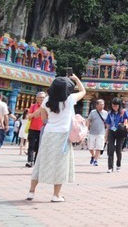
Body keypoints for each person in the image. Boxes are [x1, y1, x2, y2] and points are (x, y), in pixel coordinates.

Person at [25, 74, 86, 202]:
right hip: (63, 135)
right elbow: (83, 91)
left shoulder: (46, 100)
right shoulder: (70, 99)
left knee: (41, 161)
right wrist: (76, 79)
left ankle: (31, 192)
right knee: (61, 164)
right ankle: (56, 195)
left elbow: (44, 119)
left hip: (48, 133)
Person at [104, 97, 128, 173]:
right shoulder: (110, 113)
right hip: (112, 131)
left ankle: (118, 165)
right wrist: (106, 136)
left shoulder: (124, 112)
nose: (114, 107)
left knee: (118, 150)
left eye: (116, 106)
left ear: (119, 105)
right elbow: (108, 126)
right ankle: (110, 167)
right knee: (111, 149)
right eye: (113, 106)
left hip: (120, 132)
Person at [25, 92, 45, 167]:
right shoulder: (33, 106)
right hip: (32, 129)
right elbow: (29, 117)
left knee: (39, 147)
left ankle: (36, 162)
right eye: (40, 97)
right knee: (31, 146)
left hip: (42, 130)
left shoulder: (46, 107)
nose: (42, 99)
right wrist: (35, 113)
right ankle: (30, 161)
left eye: (43, 97)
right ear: (36, 98)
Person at [86, 99, 107, 166]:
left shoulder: (106, 113)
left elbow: (107, 123)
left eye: (103, 104)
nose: (102, 106)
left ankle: (95, 160)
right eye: (100, 104)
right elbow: (88, 120)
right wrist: (86, 128)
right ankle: (93, 156)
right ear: (97, 105)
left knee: (99, 147)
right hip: (92, 132)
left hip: (101, 132)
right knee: (90, 147)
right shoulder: (92, 112)